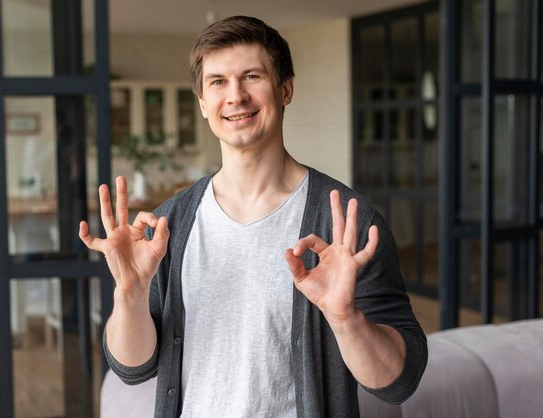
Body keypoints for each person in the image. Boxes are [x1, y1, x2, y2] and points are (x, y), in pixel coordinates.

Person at [79, 15, 427, 418]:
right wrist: (131, 294)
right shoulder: (169, 225)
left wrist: (346, 318)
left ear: (285, 89)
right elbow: (134, 367)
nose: (236, 96)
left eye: (252, 77)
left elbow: (399, 381)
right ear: (203, 104)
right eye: (218, 82)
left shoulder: (344, 222)